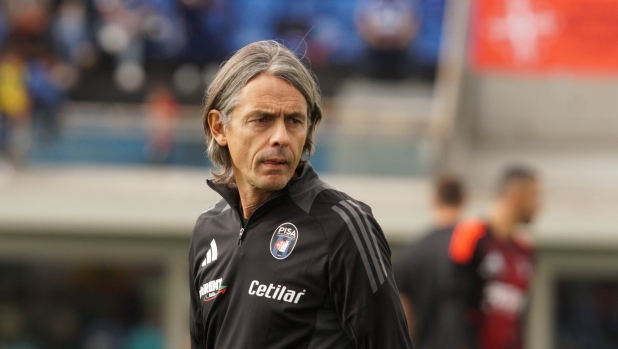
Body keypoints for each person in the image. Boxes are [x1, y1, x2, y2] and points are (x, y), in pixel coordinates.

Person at [188, 40, 413, 349]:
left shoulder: (344, 225)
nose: (281, 137)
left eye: (294, 121)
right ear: (219, 128)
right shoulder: (207, 230)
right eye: (262, 119)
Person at [448, 165, 540, 349]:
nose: (539, 205)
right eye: (534, 196)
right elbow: (452, 307)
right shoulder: (471, 236)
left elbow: (517, 317)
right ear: (516, 195)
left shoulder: (525, 250)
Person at [394, 174, 467, 349]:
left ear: (433, 201)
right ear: (463, 200)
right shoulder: (476, 250)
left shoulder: (411, 252)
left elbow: (405, 318)